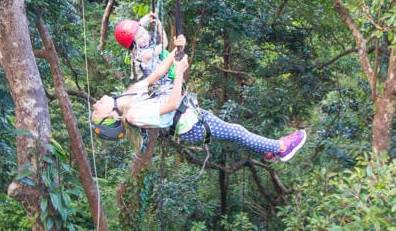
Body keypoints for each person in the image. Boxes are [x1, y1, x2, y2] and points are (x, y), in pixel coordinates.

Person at [91, 36, 307, 163]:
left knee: (236, 130)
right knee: (237, 132)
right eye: (96, 111)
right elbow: (171, 105)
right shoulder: (133, 115)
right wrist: (179, 70)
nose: (95, 104)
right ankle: (280, 148)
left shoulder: (129, 97)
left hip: (190, 115)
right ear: (110, 117)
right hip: (190, 126)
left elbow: (154, 76)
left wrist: (176, 50)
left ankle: (266, 150)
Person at [114, 12, 172, 81]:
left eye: (144, 33)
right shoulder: (144, 55)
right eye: (139, 38)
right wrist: (159, 24)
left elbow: (140, 25)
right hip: (160, 86)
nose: (144, 38)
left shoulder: (136, 48)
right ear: (133, 44)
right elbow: (164, 44)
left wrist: (149, 16)